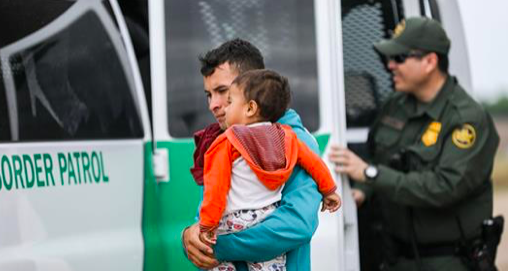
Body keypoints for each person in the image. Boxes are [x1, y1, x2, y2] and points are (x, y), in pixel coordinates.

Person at [329, 17, 500, 271]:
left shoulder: (467, 119)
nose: (390, 66)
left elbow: (444, 187)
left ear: (430, 62)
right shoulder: (394, 106)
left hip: (448, 261)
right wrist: (364, 188)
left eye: (399, 58)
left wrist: (370, 174)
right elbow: (380, 157)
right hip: (397, 257)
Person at [183, 39, 325, 271]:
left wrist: (216, 247)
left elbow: (297, 225)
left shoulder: (293, 139)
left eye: (223, 92)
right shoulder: (223, 141)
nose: (213, 105)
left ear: (252, 90)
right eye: (208, 94)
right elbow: (209, 216)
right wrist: (188, 237)